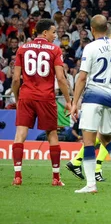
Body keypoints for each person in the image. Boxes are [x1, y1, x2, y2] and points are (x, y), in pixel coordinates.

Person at [70, 15, 111, 194]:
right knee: (106, 139)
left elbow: (82, 77)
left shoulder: (90, 47)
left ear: (92, 29)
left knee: (88, 141)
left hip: (93, 97)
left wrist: (74, 103)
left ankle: (90, 185)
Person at [11, 19, 72, 186]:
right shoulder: (54, 49)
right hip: (46, 97)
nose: (55, 36)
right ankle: (56, 178)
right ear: (45, 33)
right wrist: (68, 101)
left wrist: (18, 99)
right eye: (54, 32)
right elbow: (60, 78)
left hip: (26, 95)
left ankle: (17, 176)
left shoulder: (22, 48)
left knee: (20, 134)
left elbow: (16, 79)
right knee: (52, 134)